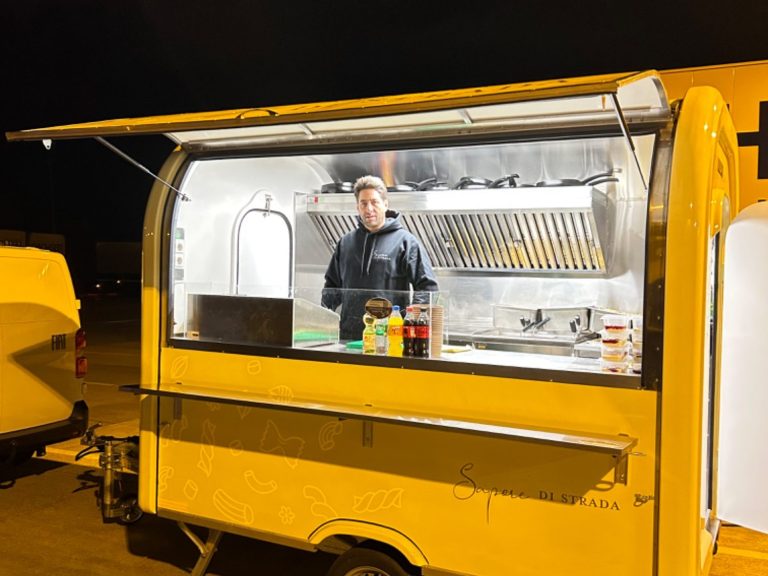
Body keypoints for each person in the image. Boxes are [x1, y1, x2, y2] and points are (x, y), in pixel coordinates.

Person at [322, 175, 439, 340]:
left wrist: (409, 322)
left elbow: (427, 288)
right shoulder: (345, 243)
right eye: (363, 203)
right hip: (348, 338)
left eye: (374, 202)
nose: (369, 208)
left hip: (390, 337)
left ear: (385, 204)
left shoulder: (406, 242)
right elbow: (331, 287)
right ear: (357, 207)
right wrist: (323, 322)